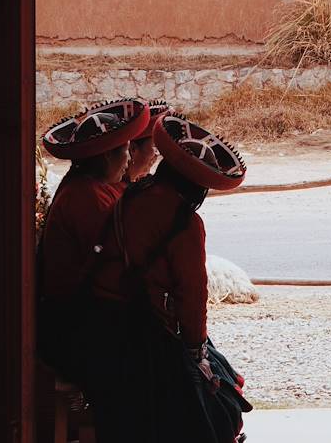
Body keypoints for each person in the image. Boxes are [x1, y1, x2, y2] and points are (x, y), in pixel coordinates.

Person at [88, 113, 251, 443]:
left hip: (106, 320)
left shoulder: (132, 195)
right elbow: (193, 299)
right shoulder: (186, 224)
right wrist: (197, 353)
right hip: (145, 335)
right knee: (215, 399)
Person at [37, 98, 149, 381]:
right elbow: (120, 256)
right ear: (105, 157)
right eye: (124, 152)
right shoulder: (87, 197)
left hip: (85, 314)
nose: (128, 161)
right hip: (76, 324)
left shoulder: (92, 187)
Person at [122, 100, 172, 183]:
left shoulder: (139, 182)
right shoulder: (109, 191)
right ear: (133, 149)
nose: (157, 156)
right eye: (155, 148)